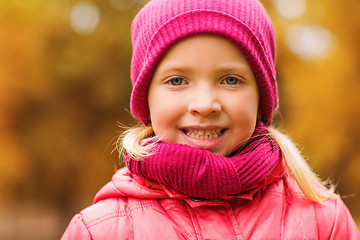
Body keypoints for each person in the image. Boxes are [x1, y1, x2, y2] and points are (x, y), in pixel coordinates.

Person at [61, 0, 360, 239]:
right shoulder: (99, 231)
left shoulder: (323, 221)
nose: (205, 105)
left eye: (230, 80)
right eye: (177, 81)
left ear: (261, 97)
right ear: (146, 99)